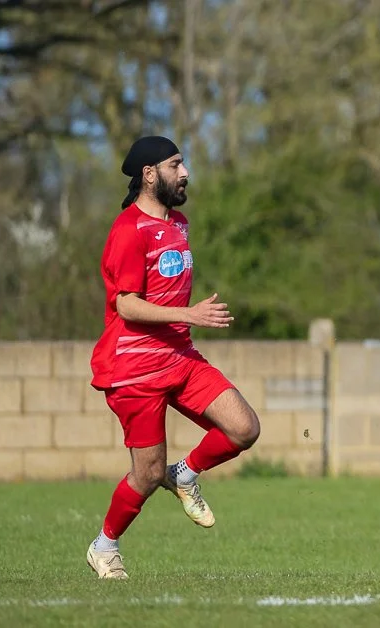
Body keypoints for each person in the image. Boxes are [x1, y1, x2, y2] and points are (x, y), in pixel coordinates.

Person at [85, 136, 262, 580]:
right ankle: (104, 546)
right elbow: (126, 305)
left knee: (243, 428)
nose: (185, 174)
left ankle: (184, 474)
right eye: (175, 165)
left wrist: (185, 323)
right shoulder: (128, 230)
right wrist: (190, 314)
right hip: (134, 368)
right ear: (149, 174)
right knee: (146, 475)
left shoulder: (178, 223)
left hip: (180, 358)